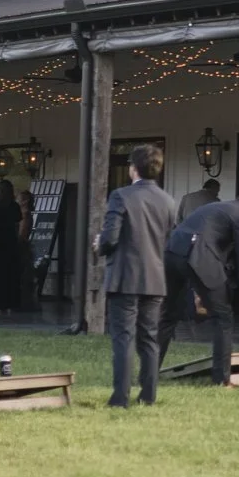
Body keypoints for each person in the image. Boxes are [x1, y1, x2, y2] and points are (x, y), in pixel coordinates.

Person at [162, 184, 239, 386]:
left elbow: (200, 240)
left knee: (168, 315)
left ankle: (148, 374)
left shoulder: (220, 209)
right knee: (223, 317)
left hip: (173, 252)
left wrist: (198, 289)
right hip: (199, 256)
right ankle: (222, 380)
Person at [94, 143, 177, 407]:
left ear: (133, 168)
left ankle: (120, 397)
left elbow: (110, 238)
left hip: (124, 276)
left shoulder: (121, 196)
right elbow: (168, 238)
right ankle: (148, 395)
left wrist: (99, 244)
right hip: (155, 277)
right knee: (149, 339)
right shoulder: (168, 200)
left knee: (123, 338)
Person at [0, 178, 26, 312]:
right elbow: (17, 221)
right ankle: (10, 303)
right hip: (10, 240)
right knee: (10, 272)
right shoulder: (14, 206)